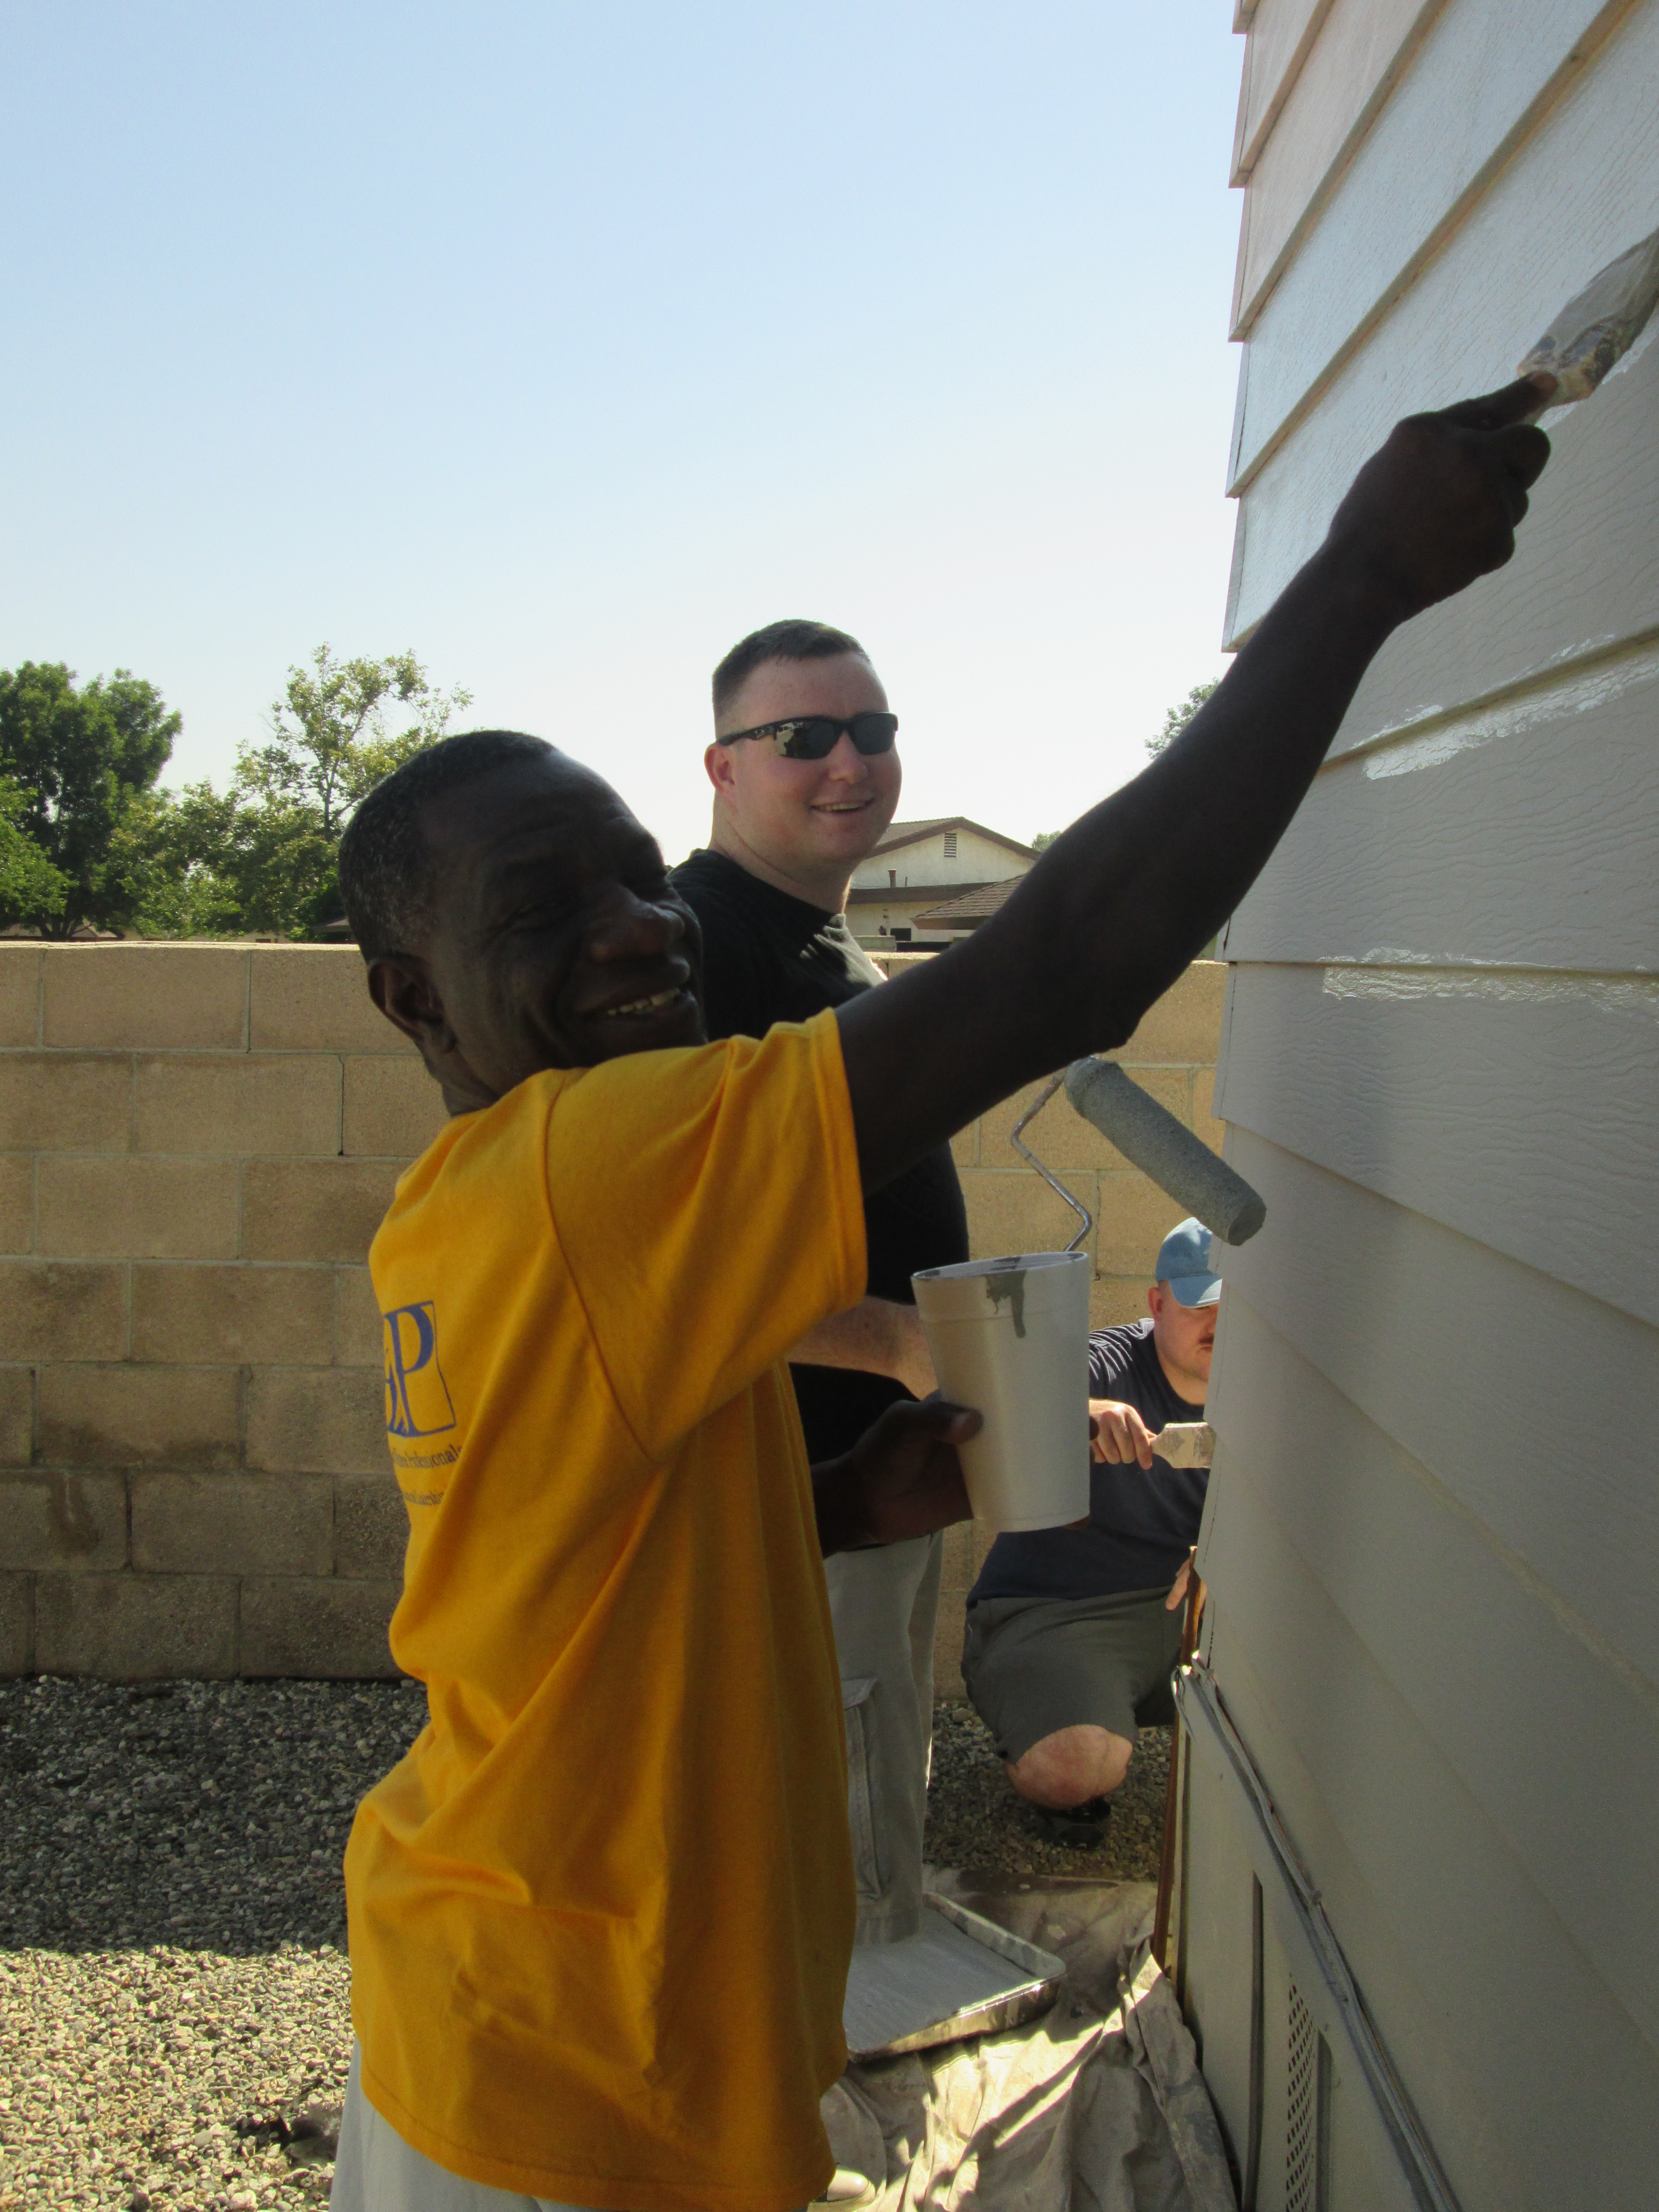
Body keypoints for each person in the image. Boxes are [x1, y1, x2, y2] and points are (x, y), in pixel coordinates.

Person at [328, 377, 1551, 2212]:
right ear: (411, 999)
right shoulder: (602, 1152)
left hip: (510, 2005)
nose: (633, 926)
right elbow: (1065, 956)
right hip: (571, 2083)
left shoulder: (471, 1200)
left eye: (627, 880)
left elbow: (571, 1547)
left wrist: (833, 1495)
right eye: (538, 902)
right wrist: (1360, 576)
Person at [671, 617, 963, 1948]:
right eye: (803, 738)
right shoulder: (696, 954)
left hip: (882, 1475)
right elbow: (660, 1258)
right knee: (815, 1834)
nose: (850, 761)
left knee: (874, 1774)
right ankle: (813, 2119)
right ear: (724, 768)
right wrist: (896, 1341)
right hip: (793, 1496)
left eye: (873, 730)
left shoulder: (828, 953)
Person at [962, 1216, 1218, 1847]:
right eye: (1201, 1305)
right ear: (1157, 1303)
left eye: (1237, 1307)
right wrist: (1082, 1411)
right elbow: (1001, 1394)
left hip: (1202, 1608)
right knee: (1077, 1764)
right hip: (1067, 1614)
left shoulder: (1271, 1388)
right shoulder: (1107, 1362)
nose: (1220, 1324)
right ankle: (1062, 1748)